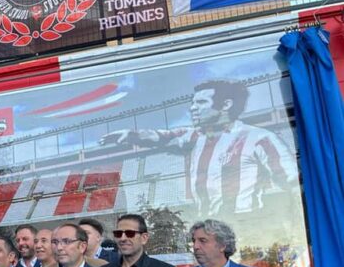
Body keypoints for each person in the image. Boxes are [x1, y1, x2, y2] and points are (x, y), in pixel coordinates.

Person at [100, 80, 298, 217]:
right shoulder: (196, 136)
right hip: (207, 225)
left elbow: (293, 183)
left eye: (201, 102)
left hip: (247, 222)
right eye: (192, 103)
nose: (193, 108)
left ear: (226, 104)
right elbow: (160, 136)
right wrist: (129, 135)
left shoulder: (259, 138)